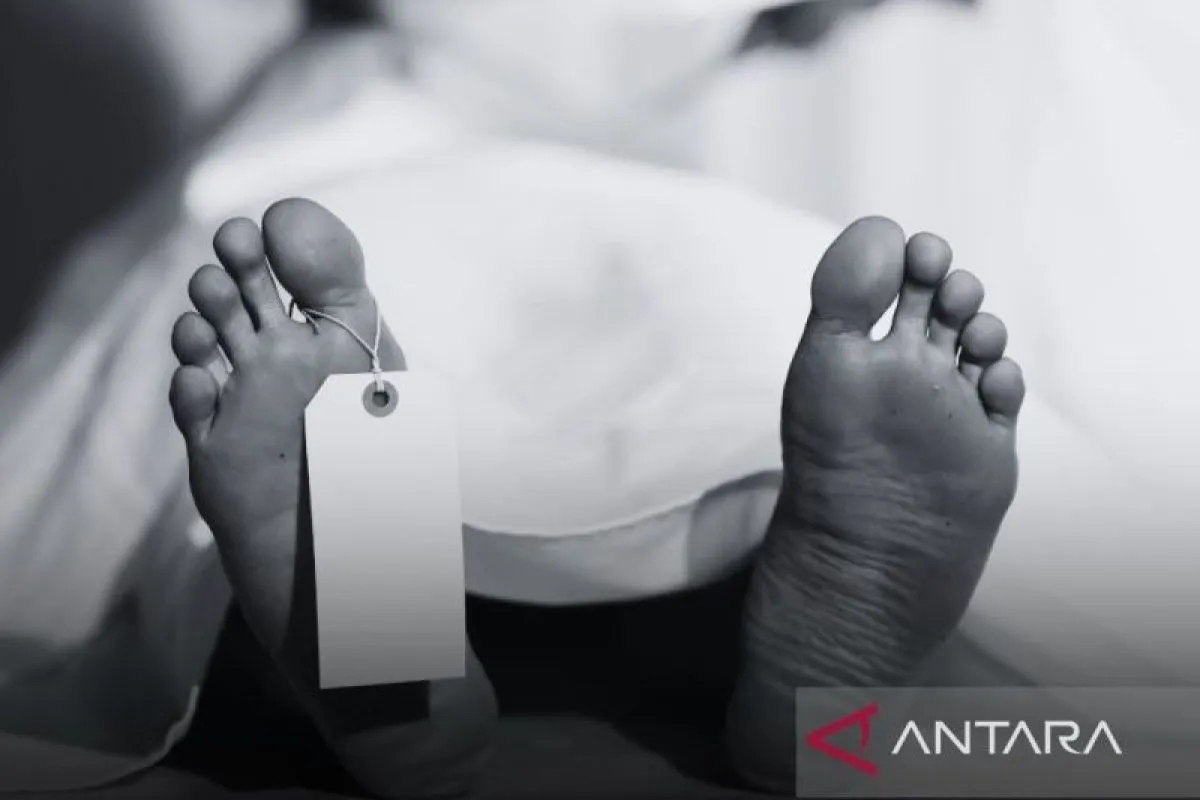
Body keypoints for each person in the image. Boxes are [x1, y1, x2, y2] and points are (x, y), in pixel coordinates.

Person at [168, 199, 1022, 797]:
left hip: (429, 182)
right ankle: (823, 724)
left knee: (314, 292)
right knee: (723, 326)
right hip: (714, 268)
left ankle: (383, 667)